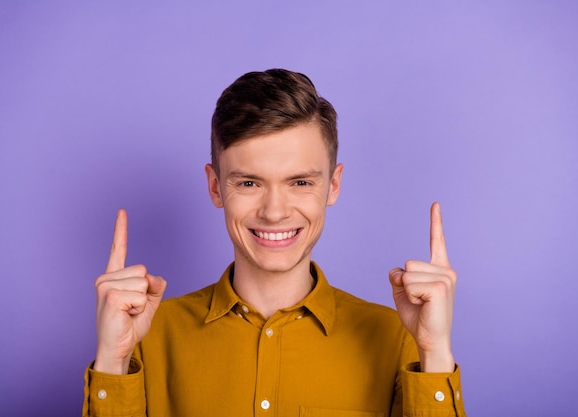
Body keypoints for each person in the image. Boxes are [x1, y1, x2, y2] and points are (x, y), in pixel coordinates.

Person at [83, 69, 467, 416]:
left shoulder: (397, 338)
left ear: (333, 185)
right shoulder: (147, 338)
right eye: (249, 183)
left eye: (300, 182)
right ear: (216, 187)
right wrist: (113, 362)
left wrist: (433, 352)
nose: (274, 211)